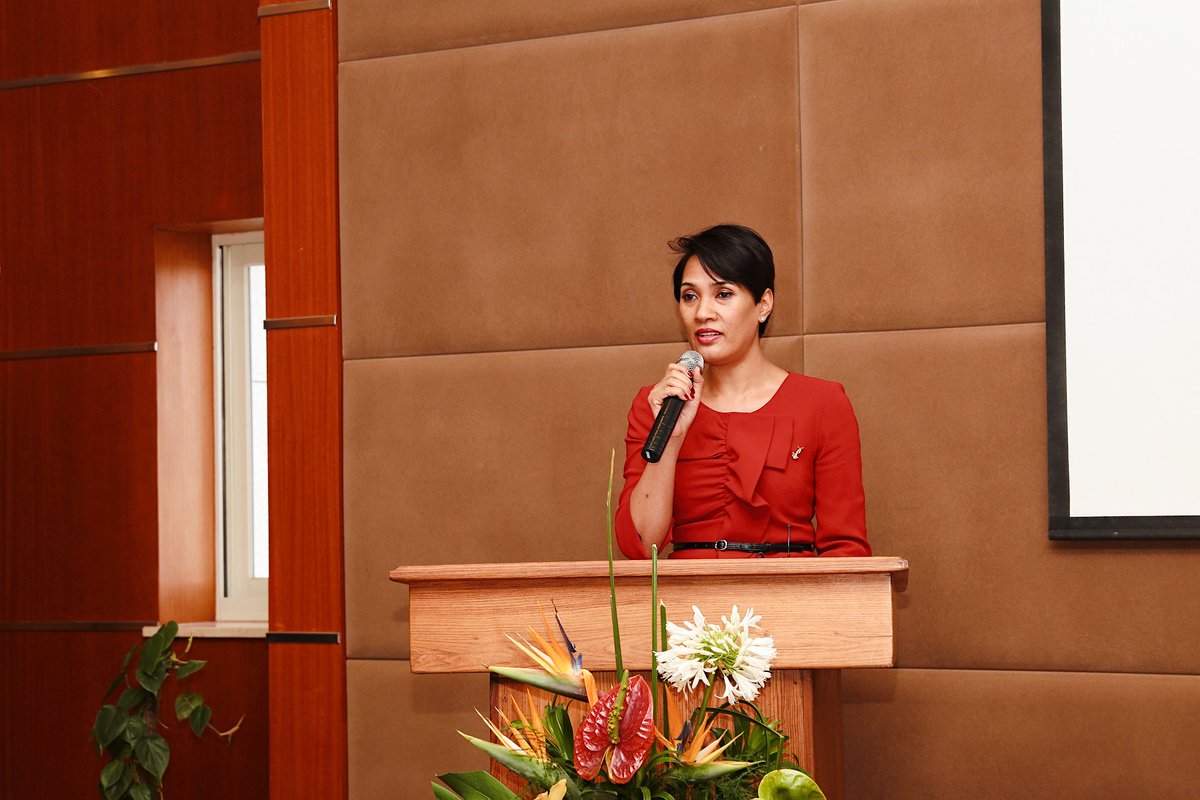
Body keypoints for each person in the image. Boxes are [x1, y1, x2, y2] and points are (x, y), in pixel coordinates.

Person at [615, 224, 872, 559]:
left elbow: (846, 548)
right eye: (689, 296)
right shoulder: (657, 403)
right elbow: (639, 546)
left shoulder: (823, 403)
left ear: (763, 304)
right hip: (686, 605)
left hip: (790, 602)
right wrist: (672, 437)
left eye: (723, 294)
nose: (703, 313)